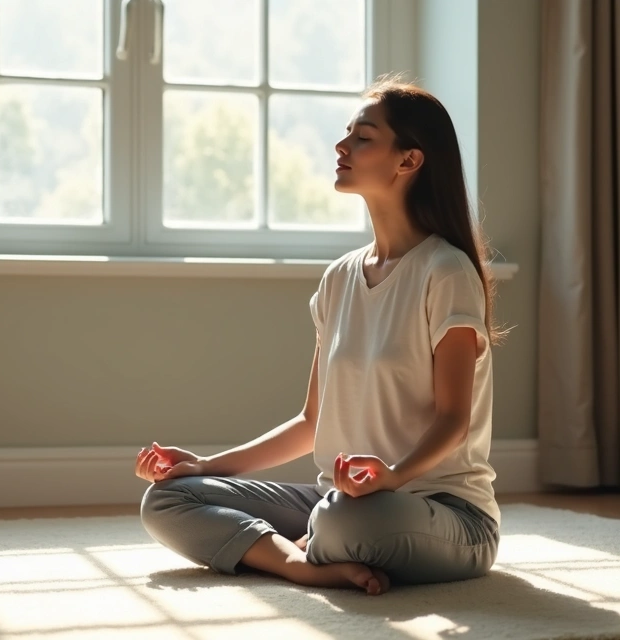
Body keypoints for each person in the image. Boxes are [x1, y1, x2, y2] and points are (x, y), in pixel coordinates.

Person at [135, 77, 505, 596]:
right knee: (169, 500)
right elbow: (313, 422)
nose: (342, 146)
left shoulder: (446, 272)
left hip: (446, 517)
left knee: (343, 521)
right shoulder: (338, 278)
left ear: (409, 161)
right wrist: (203, 465)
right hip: (337, 503)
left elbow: (453, 421)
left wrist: (392, 477)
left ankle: (312, 544)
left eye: (363, 137)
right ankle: (300, 564)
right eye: (346, 134)